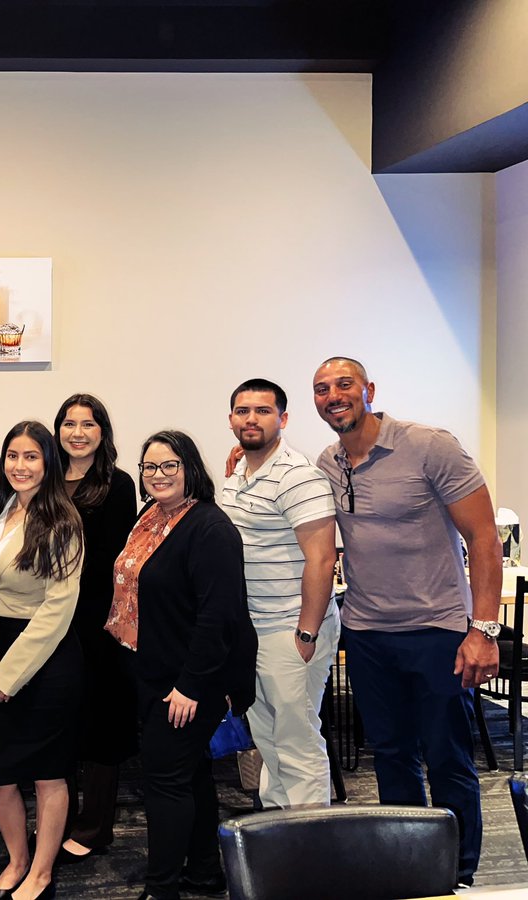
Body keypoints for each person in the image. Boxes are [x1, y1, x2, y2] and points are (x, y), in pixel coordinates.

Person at [311, 356, 501, 886]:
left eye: (343, 384)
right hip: (369, 634)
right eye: (322, 389)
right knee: (391, 758)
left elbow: (484, 538)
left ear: (369, 389)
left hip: (437, 630)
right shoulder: (329, 462)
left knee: (447, 758)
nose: (333, 395)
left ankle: (457, 874)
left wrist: (483, 631)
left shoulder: (429, 445)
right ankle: (409, 868)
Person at [105, 430, 256, 900]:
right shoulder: (150, 517)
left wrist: (191, 686)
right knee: (190, 775)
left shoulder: (209, 528)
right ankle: (206, 872)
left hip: (190, 682)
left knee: (164, 784)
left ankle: (161, 887)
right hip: (152, 673)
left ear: (191, 467)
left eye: (170, 465)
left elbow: (219, 616)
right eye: (150, 467)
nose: (158, 475)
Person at [0, 420, 84, 900]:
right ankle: (17, 860)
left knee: (47, 773)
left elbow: (59, 607)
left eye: (31, 456)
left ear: (48, 463)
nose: (20, 465)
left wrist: (11, 672)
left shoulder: (63, 521)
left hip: (45, 657)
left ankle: (41, 871)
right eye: (13, 455)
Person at [221, 378, 339, 809]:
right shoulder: (238, 474)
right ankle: (278, 839)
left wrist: (306, 634)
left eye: (263, 411)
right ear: (231, 419)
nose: (251, 419)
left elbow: (322, 559)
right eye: (243, 411)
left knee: (297, 743)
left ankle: (311, 851)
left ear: (283, 419)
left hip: (291, 629)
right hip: (253, 630)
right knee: (268, 740)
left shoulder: (299, 476)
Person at [50, 394, 138, 864]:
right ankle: (58, 817)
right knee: (60, 722)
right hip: (46, 619)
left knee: (101, 724)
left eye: (88, 424)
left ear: (102, 432)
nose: (77, 432)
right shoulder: (43, 479)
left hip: (96, 619)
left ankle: (95, 825)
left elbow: (113, 560)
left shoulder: (118, 485)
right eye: (68, 423)